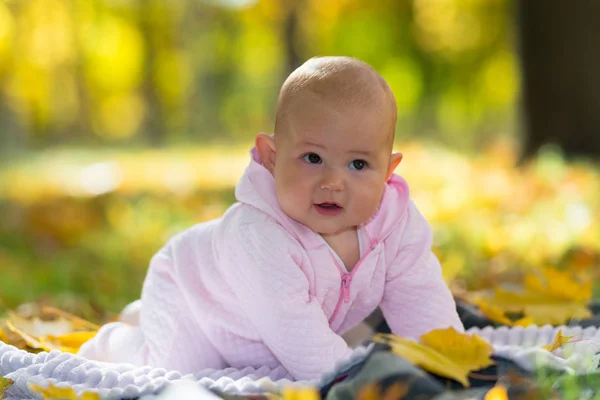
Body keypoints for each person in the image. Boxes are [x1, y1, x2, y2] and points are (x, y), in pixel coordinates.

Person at [78, 56, 463, 381]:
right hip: (195, 297)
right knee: (175, 369)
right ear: (271, 157)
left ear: (388, 171)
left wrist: (450, 367)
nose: (333, 182)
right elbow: (306, 346)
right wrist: (364, 384)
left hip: (265, 323)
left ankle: (147, 316)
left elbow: (421, 298)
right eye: (312, 158)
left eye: (359, 164)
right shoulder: (259, 235)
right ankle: (119, 339)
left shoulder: (397, 226)